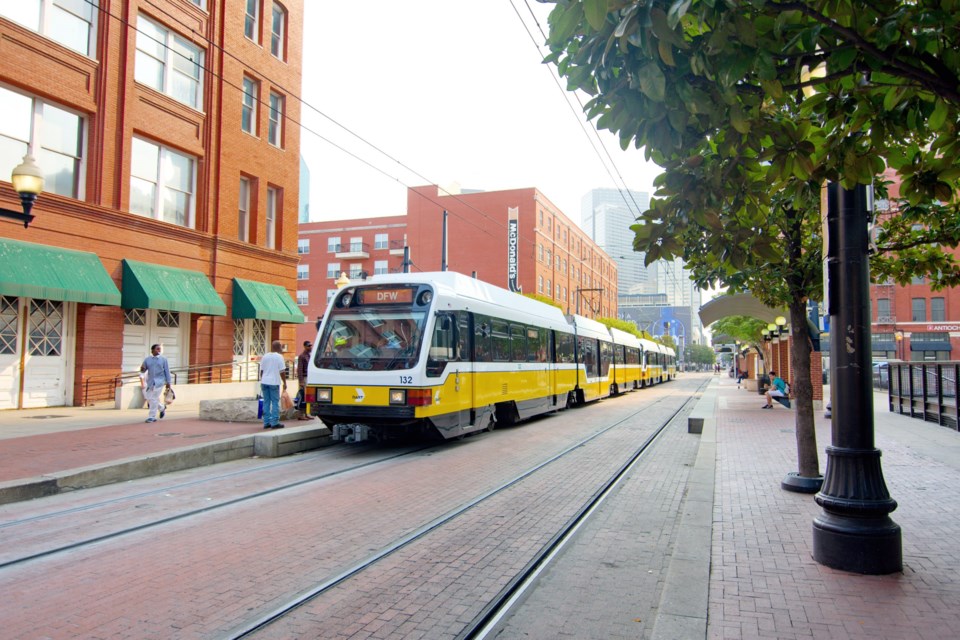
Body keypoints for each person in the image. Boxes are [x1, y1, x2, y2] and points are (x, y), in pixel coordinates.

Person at [260, 340, 287, 429]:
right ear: (279, 347)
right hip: (274, 382)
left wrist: (262, 379)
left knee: (266, 402)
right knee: (275, 402)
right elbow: (282, 372)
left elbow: (262, 371)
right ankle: (275, 422)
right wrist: (284, 383)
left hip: (264, 382)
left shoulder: (265, 356)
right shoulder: (279, 357)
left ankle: (266, 422)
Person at [141, 344, 172, 423]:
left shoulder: (163, 359)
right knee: (149, 398)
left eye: (159, 349)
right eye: (157, 349)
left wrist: (168, 382)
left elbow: (167, 371)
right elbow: (143, 370)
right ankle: (161, 408)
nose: (159, 351)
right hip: (150, 382)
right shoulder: (147, 359)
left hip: (159, 382)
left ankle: (152, 416)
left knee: (154, 398)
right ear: (152, 350)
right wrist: (142, 369)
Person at [296, 340, 313, 420]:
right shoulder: (302, 356)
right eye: (308, 346)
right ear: (305, 346)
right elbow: (299, 369)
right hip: (304, 378)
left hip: (309, 378)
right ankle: (301, 414)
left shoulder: (311, 355)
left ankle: (307, 413)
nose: (310, 347)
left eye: (310, 345)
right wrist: (301, 381)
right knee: (303, 396)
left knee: (308, 397)